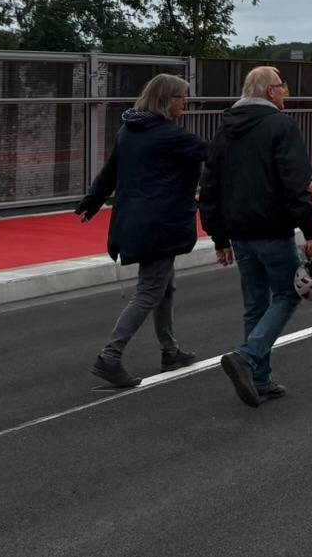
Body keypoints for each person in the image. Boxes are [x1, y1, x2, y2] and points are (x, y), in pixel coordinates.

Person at [77, 73, 210, 389]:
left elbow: (111, 171)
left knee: (164, 286)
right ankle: (110, 356)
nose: (185, 103)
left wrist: (92, 201)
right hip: (160, 224)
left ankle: (170, 351)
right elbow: (212, 151)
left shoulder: (129, 131)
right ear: (166, 99)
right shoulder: (168, 135)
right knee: (150, 290)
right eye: (181, 97)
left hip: (135, 221)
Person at [199, 66, 312, 408]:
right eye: (283, 87)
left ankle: (261, 380)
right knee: (288, 293)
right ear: (270, 92)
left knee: (255, 303)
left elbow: (209, 187)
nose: (286, 93)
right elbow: (295, 181)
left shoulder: (225, 130)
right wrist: (310, 229)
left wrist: (219, 237)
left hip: (239, 230)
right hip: (272, 227)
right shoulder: (281, 126)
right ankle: (247, 356)